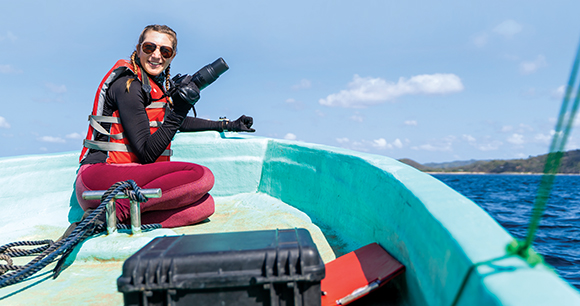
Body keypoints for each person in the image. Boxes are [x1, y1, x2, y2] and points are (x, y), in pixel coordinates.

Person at [75, 24, 254, 228]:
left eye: (165, 51)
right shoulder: (128, 86)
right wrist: (180, 109)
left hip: (127, 180)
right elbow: (147, 154)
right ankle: (113, 212)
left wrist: (227, 125)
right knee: (202, 176)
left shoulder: (150, 85)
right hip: (100, 176)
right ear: (138, 48)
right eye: (150, 47)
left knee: (204, 207)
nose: (156, 55)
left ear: (172, 56)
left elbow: (170, 123)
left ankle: (110, 217)